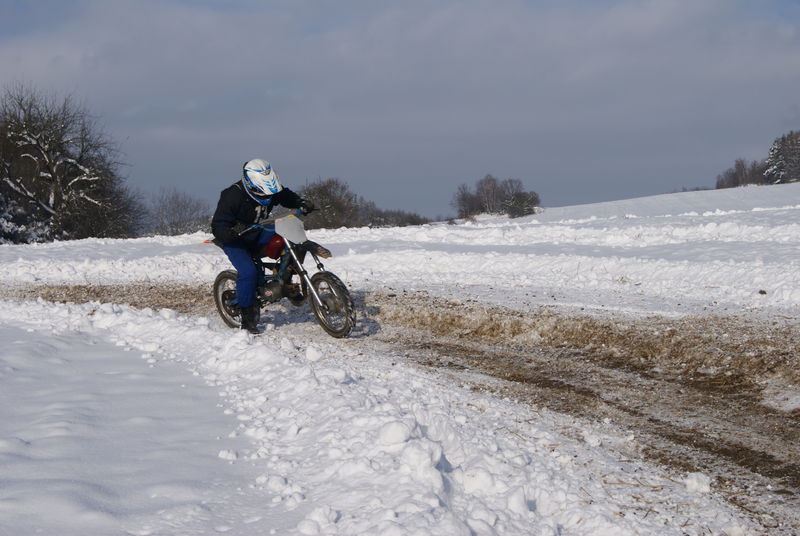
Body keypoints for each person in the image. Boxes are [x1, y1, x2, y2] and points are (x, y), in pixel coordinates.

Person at [211, 158, 313, 334]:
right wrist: (231, 232)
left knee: (292, 239)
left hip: (257, 232)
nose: (266, 197)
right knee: (249, 273)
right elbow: (218, 225)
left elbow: (284, 195)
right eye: (262, 193)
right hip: (235, 240)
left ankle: (286, 279)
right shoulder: (231, 196)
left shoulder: (270, 189)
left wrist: (300, 202)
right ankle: (247, 318)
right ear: (250, 184)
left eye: (269, 194)